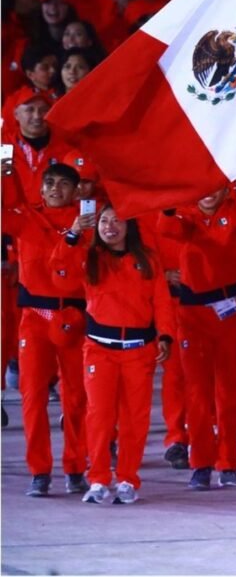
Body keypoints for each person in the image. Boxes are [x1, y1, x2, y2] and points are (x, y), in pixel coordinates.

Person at [50, 205, 175, 504]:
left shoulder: (147, 260)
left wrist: (166, 336)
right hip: (99, 351)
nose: (110, 227)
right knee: (99, 417)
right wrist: (72, 234)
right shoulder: (89, 258)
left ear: (129, 227)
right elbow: (60, 276)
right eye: (104, 221)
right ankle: (99, 479)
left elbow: (161, 301)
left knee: (135, 419)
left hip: (138, 352)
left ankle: (128, 479)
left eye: (117, 221)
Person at [157, 186, 236, 490]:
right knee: (197, 392)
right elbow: (167, 228)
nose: (207, 193)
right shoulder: (185, 216)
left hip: (232, 311)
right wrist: (170, 201)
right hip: (193, 314)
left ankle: (228, 463)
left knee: (229, 390)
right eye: (200, 186)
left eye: (213, 185)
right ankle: (200, 462)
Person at [2, 163, 88, 497]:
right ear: (40, 190)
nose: (55, 189)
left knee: (76, 398)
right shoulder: (24, 219)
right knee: (32, 397)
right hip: (35, 319)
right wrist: (4, 171)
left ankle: (76, 467)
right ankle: (39, 471)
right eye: (49, 183)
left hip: (75, 318)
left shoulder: (89, 224)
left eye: (64, 184)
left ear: (76, 191)